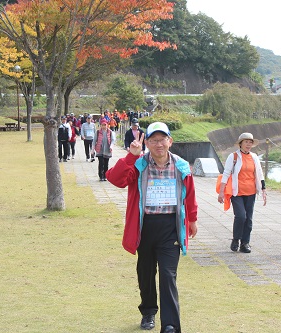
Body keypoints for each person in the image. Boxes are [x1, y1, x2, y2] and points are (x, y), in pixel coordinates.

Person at [106, 122, 198, 333]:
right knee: (145, 273)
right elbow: (115, 179)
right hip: (144, 226)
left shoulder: (181, 166)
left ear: (170, 141)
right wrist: (131, 156)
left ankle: (171, 325)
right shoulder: (139, 165)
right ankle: (148, 312)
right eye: (154, 140)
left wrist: (192, 219)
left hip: (170, 227)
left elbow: (190, 195)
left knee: (168, 275)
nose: (159, 144)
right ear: (146, 142)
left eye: (162, 139)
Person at [218, 132, 266, 254]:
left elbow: (259, 173)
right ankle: (236, 239)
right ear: (240, 144)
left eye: (250, 142)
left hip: (251, 192)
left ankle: (245, 243)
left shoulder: (254, 157)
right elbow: (226, 174)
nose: (248, 144)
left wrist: (263, 190)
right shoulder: (233, 157)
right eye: (246, 142)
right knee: (241, 216)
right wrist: (222, 192)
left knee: (248, 218)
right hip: (237, 192)